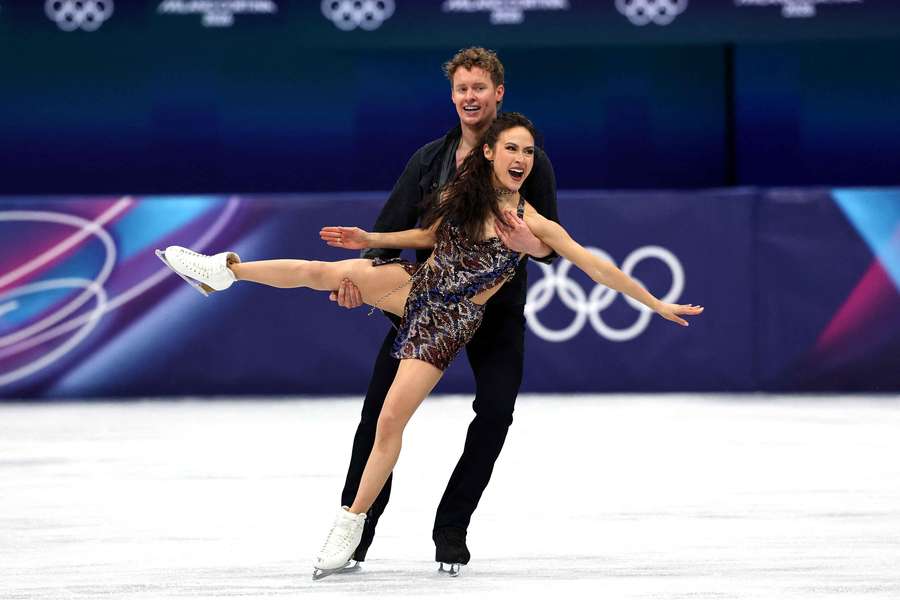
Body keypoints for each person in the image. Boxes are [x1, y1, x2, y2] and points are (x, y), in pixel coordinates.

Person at [157, 112, 705, 579]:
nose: (521, 158)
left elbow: (596, 267)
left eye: (529, 151)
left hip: (449, 321)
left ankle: (350, 523)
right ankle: (221, 271)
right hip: (415, 286)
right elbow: (427, 237)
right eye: (511, 148)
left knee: (392, 419)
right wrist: (372, 241)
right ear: (489, 152)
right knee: (319, 270)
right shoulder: (460, 193)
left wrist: (655, 302)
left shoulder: (535, 223)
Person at [329, 47, 560, 577]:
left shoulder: (527, 157)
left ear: (498, 93)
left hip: (494, 311)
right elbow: (389, 231)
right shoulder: (429, 159)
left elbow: (552, 244)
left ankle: (451, 527)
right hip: (425, 306)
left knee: (496, 412)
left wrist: (532, 243)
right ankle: (354, 529)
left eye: (480, 87)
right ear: (453, 96)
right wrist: (360, 283)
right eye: (462, 89)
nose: (471, 97)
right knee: (377, 416)